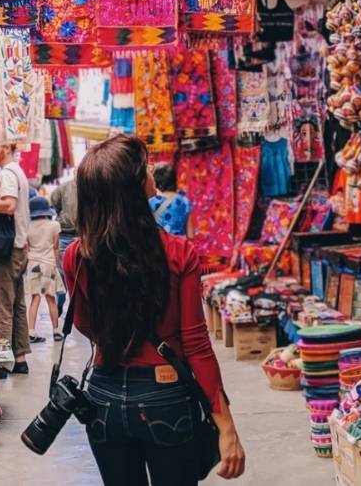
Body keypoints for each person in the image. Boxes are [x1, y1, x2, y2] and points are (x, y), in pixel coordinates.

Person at [63, 135, 245, 485]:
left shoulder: (77, 255)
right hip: (165, 397)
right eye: (143, 165)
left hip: (103, 397)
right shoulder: (178, 252)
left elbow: (85, 324)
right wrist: (226, 427)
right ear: (131, 189)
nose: (151, 169)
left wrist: (121, 336)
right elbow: (196, 345)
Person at [0, 142, 32, 374]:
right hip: (18, 248)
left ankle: (0, 362)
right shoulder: (17, 172)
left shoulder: (7, 174)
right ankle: (19, 357)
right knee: (17, 303)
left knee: (0, 304)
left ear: (7, 148)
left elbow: (8, 205)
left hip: (6, 250)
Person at [26, 195, 62, 343]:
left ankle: (31, 332)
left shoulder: (27, 226)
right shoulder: (54, 225)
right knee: (51, 299)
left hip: (33, 264)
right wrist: (56, 265)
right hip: (48, 264)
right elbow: (56, 247)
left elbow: (26, 247)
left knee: (35, 298)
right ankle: (56, 331)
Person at [50, 177, 77, 314]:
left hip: (81, 235)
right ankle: (59, 303)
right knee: (61, 274)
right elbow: (53, 202)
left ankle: (76, 309)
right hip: (65, 234)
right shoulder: (64, 187)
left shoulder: (90, 186)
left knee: (78, 274)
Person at [149, 162, 194, 239]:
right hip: (178, 248)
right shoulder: (184, 201)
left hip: (158, 248)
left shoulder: (151, 201)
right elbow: (190, 235)